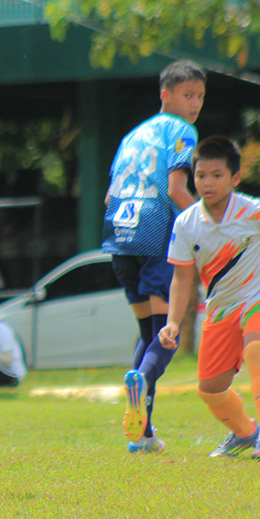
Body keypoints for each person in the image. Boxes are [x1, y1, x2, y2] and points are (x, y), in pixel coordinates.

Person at [159, 136, 260, 461]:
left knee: (257, 349)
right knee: (209, 388)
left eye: (216, 175)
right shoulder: (186, 224)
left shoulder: (254, 211)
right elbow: (182, 277)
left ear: (235, 178)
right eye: (201, 175)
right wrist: (172, 321)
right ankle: (246, 432)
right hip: (221, 309)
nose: (207, 183)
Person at [102, 60, 205, 453]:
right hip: (156, 233)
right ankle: (143, 381)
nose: (195, 104)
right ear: (166, 95)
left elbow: (110, 195)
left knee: (149, 335)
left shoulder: (132, 135)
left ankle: (142, 435)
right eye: (188, 95)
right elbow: (177, 189)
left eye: (200, 96)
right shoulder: (182, 131)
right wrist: (209, 226)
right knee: (167, 333)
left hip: (120, 236)